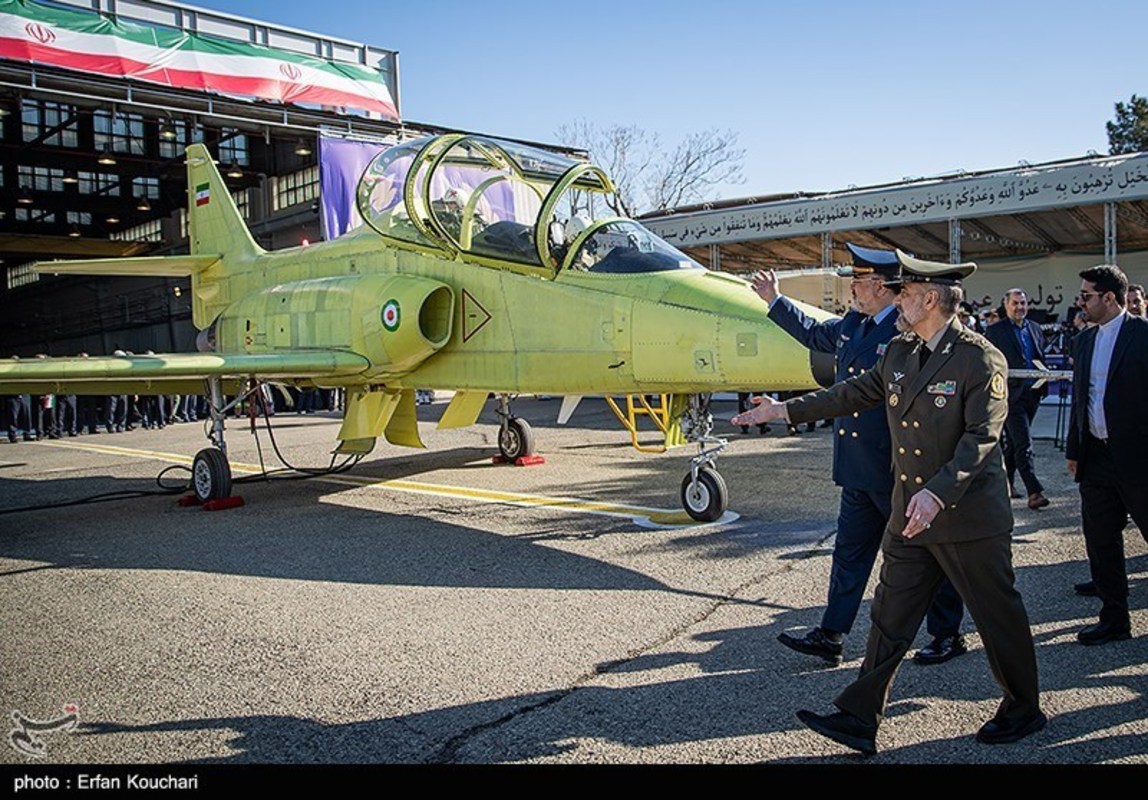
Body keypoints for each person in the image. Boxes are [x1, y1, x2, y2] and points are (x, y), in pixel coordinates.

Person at [734, 249, 1044, 755]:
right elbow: (849, 394)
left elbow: (981, 438)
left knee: (996, 616)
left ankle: (1024, 708)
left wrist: (937, 494)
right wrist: (784, 408)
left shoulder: (979, 357)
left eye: (902, 293)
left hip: (966, 516)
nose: (894, 300)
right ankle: (859, 715)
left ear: (930, 299)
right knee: (890, 617)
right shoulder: (900, 351)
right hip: (910, 512)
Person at [749, 242, 965, 666]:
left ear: (883, 287)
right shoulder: (854, 324)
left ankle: (947, 633)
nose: (852, 289)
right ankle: (832, 633)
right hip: (856, 466)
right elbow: (814, 334)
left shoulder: (906, 331)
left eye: (860, 281)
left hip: (893, 466)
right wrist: (775, 301)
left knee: (924, 550)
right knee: (849, 552)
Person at [1065, 264, 1148, 640]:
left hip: (1139, 457)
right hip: (1096, 457)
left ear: (1109, 298)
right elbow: (1082, 400)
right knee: (1100, 540)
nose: (1080, 302)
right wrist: (1074, 450)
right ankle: (1115, 619)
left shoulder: (1142, 336)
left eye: (1087, 296)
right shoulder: (1083, 341)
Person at [984, 289, 1050, 510]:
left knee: (1013, 443)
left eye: (1023, 303)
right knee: (1024, 443)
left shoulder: (1035, 328)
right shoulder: (995, 331)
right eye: (1015, 303)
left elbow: (1039, 356)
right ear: (1006, 305)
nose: (1020, 307)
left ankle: (1007, 484)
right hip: (1010, 397)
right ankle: (1035, 491)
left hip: (1033, 393)